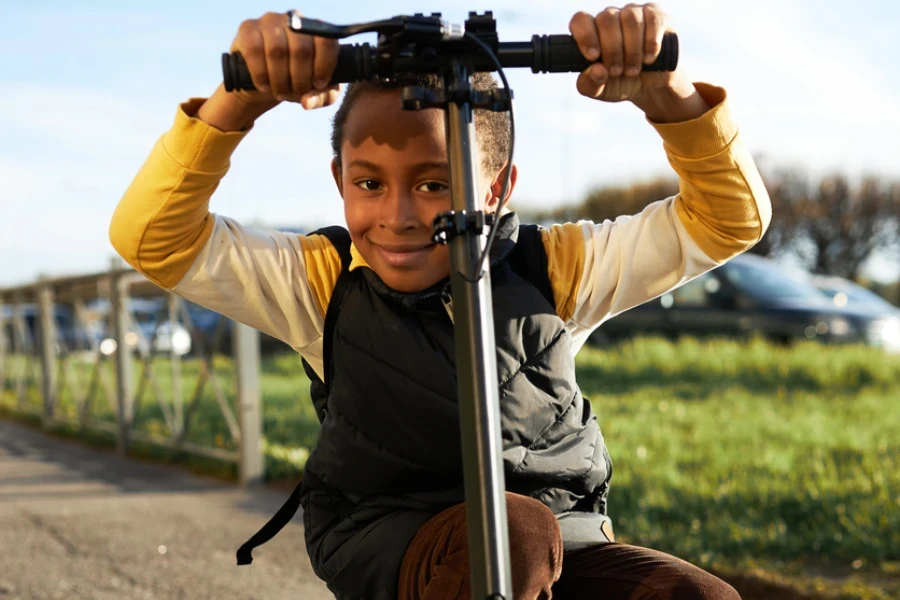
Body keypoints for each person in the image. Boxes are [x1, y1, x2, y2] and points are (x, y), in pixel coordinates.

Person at [109, 4, 770, 599]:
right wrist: (238, 102)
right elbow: (150, 237)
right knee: (509, 533)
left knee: (696, 596)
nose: (396, 216)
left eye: (434, 184)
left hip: (564, 543)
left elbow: (727, 220)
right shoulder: (319, 280)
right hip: (393, 539)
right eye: (368, 182)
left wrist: (666, 93)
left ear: (497, 187)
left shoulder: (555, 267)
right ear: (339, 176)